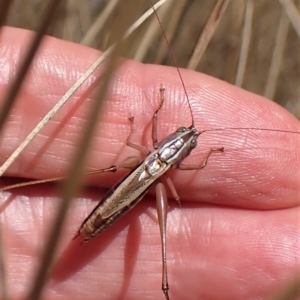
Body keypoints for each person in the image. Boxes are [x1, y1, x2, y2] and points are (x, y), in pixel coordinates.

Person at [0, 26, 299, 300]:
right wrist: (201, 151)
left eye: (188, 140)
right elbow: (192, 165)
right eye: (185, 135)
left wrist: (199, 150)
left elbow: (149, 142)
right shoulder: (170, 161)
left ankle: (164, 285)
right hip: (138, 178)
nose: (186, 135)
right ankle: (27, 182)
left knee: (158, 222)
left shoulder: (160, 153)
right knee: (109, 169)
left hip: (148, 175)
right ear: (175, 143)